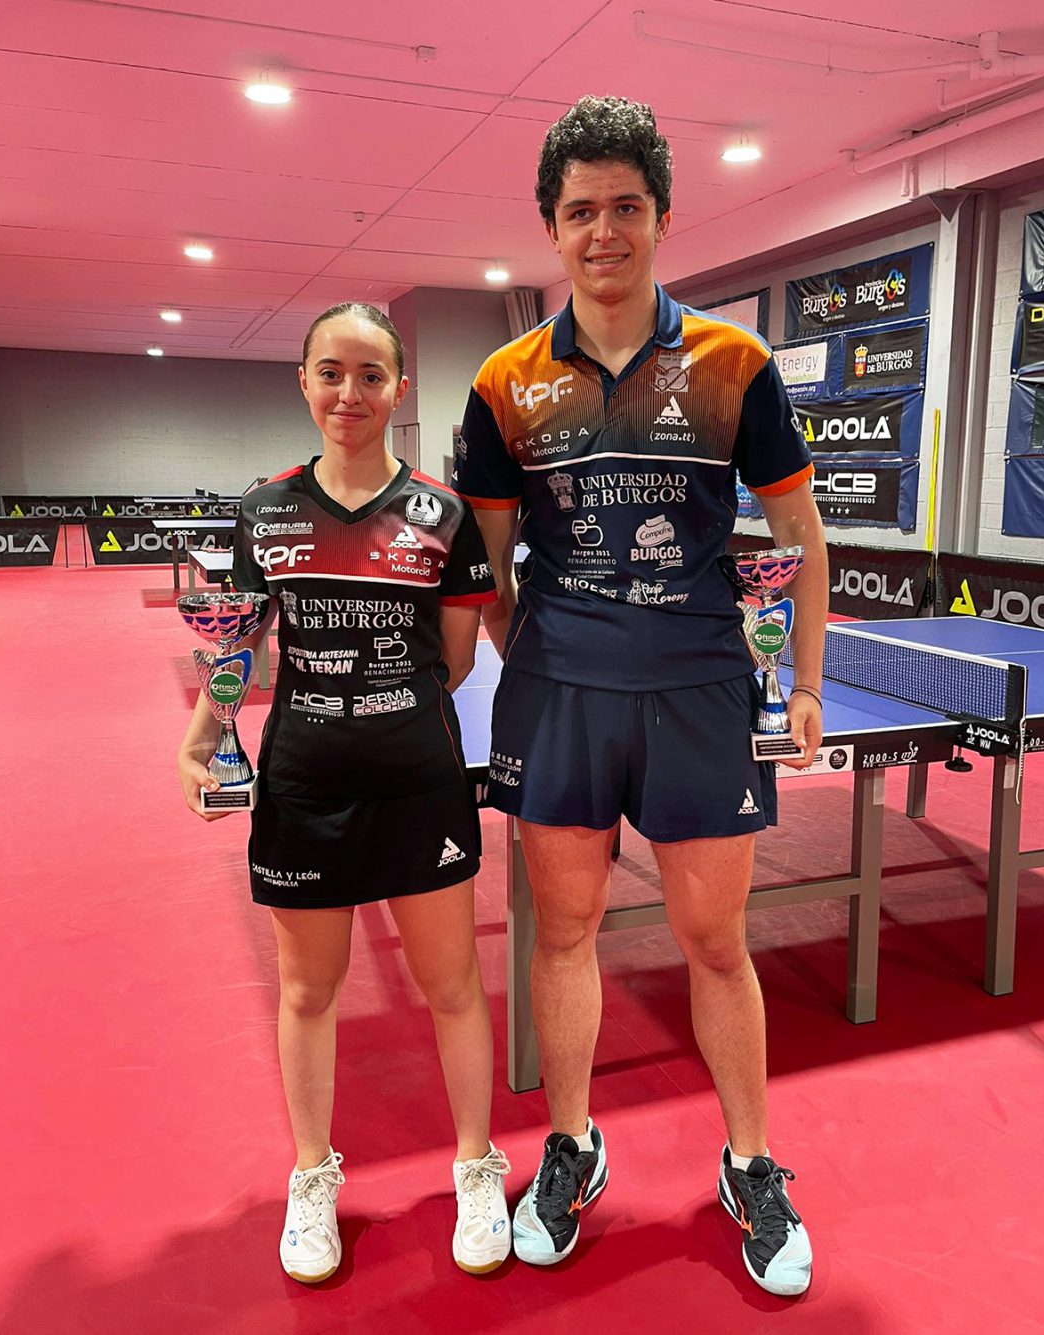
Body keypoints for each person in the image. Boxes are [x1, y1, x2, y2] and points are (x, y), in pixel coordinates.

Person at [453, 97, 827, 1296]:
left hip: (705, 692)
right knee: (561, 934)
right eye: (580, 212)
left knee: (716, 941)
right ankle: (571, 1147)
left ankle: (750, 1163)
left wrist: (804, 682)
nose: (603, 230)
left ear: (662, 216)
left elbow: (799, 535)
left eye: (625, 206)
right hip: (561, 697)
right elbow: (492, 569)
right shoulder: (503, 383)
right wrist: (549, 657)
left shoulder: (735, 365)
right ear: (551, 230)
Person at [178, 302, 511, 1281]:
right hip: (303, 784)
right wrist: (200, 740)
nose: (349, 393)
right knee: (307, 990)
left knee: (453, 985)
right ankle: (313, 1175)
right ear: (305, 382)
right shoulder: (264, 511)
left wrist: (383, 708)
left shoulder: (442, 515)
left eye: (371, 375)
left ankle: (476, 1166)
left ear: (399, 388)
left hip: (419, 785)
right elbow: (237, 648)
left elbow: (454, 662)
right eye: (331, 372)